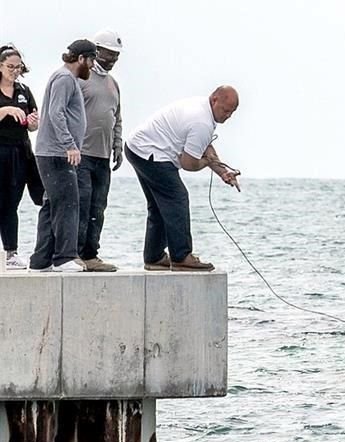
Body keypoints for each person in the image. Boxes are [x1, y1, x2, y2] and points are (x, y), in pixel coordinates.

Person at [124, 86, 240, 271]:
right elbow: (189, 163)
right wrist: (205, 162)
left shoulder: (203, 110)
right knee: (178, 197)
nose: (228, 116)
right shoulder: (201, 121)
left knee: (159, 205)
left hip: (136, 147)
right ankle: (181, 256)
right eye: (226, 110)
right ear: (214, 100)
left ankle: (154, 257)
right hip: (150, 153)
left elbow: (205, 146)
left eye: (232, 112)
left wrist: (222, 172)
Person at [29, 40, 99, 273]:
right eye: (91, 60)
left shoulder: (67, 79)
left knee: (53, 205)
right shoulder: (64, 78)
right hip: (57, 153)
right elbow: (55, 112)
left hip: (54, 152)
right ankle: (64, 257)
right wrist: (69, 145)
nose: (92, 65)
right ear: (81, 59)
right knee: (68, 203)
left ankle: (41, 261)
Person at [76, 30, 124, 272]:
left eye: (116, 56)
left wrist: (118, 146)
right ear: (96, 51)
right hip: (81, 153)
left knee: (98, 207)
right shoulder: (81, 78)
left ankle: (91, 254)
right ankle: (75, 253)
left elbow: (117, 118)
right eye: (109, 54)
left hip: (103, 155)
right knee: (82, 204)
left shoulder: (113, 84)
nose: (112, 60)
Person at [0, 44, 40, 269]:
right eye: (10, 67)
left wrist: (33, 123)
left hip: (20, 150)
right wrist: (5, 111)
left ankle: (11, 252)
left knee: (11, 202)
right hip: (1, 149)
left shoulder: (23, 90)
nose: (14, 71)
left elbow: (32, 122)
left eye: (18, 67)